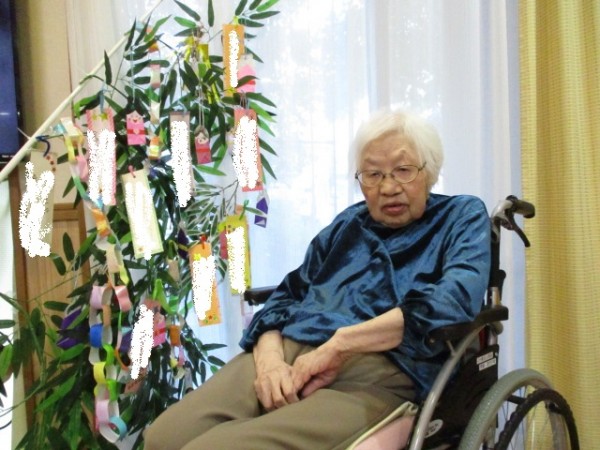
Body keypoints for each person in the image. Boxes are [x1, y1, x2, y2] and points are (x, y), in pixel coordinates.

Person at [144, 110, 491, 450]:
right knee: (163, 438)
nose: (388, 187)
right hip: (291, 350)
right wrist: (270, 363)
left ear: (430, 172)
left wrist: (340, 346)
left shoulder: (459, 217)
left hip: (382, 367)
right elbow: (286, 296)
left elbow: (453, 301)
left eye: (403, 170)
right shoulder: (348, 224)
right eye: (373, 174)